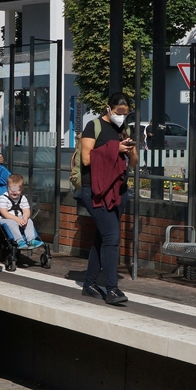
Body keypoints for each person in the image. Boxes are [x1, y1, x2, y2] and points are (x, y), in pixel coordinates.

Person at [78, 92, 139, 306]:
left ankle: (89, 283)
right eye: (118, 112)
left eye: (125, 113)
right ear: (108, 108)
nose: (121, 116)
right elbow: (86, 159)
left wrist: (129, 149)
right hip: (95, 191)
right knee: (112, 236)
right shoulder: (93, 126)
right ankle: (112, 289)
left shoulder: (125, 129)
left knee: (102, 238)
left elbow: (134, 162)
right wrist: (114, 149)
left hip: (118, 192)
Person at [0, 173, 43, 249]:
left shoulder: (23, 198)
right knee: (12, 222)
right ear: (8, 187)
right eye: (12, 189)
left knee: (29, 221)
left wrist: (25, 218)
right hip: (5, 219)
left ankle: (31, 239)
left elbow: (26, 210)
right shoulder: (3, 198)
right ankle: (19, 240)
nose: (14, 192)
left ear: (22, 189)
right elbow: (4, 212)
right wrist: (16, 219)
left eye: (17, 189)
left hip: (19, 218)